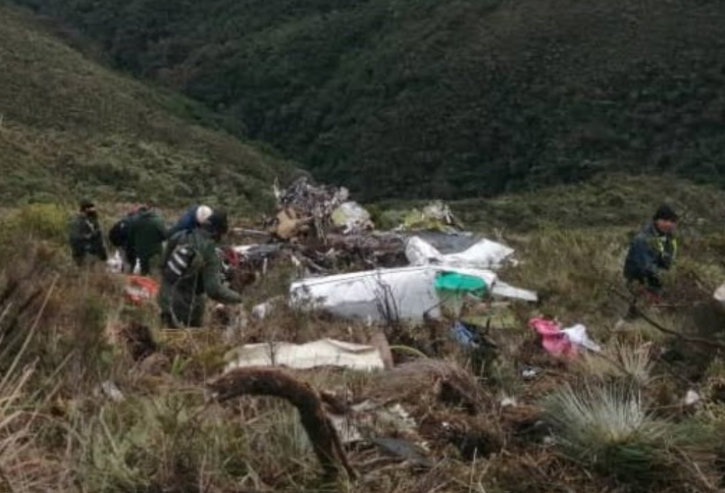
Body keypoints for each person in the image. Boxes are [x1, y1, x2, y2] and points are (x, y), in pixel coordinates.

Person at [158, 210, 243, 328]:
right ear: (218, 232)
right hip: (187, 307)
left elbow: (162, 264)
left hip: (165, 299)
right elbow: (213, 290)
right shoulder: (210, 251)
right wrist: (237, 298)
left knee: (166, 338)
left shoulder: (180, 235)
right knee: (186, 341)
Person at [623, 204, 679, 303]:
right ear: (656, 220)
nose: (668, 224)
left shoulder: (670, 239)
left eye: (672, 221)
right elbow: (645, 268)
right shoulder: (642, 239)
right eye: (665, 220)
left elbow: (670, 263)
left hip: (658, 285)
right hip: (640, 285)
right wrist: (668, 278)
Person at [127, 204, 167, 276]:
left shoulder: (134, 221)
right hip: (155, 252)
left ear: (139, 212)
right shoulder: (157, 220)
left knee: (144, 274)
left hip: (141, 253)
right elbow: (165, 235)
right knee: (155, 273)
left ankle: (144, 285)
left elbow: (130, 237)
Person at [68, 199, 107, 266]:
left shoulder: (88, 220)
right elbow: (76, 238)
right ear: (86, 209)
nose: (94, 210)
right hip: (88, 253)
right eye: (92, 208)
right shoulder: (83, 221)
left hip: (86, 253)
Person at [108, 205, 141, 273]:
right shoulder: (139, 222)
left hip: (124, 246)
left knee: (125, 261)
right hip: (135, 246)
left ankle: (124, 276)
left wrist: (117, 243)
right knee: (133, 263)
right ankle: (131, 276)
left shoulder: (122, 221)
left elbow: (112, 233)